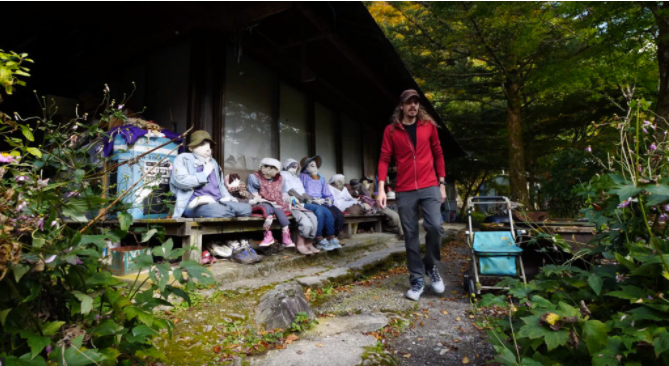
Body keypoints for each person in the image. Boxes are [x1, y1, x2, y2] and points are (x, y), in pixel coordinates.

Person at [376, 89, 447, 301]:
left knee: (435, 226)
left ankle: (431, 266)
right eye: (409, 103)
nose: (413, 106)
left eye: (416, 102)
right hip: (405, 189)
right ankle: (417, 278)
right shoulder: (391, 131)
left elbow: (438, 154)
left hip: (430, 185)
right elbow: (383, 159)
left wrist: (442, 184)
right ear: (402, 106)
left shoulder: (429, 127)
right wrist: (381, 188)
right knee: (410, 235)